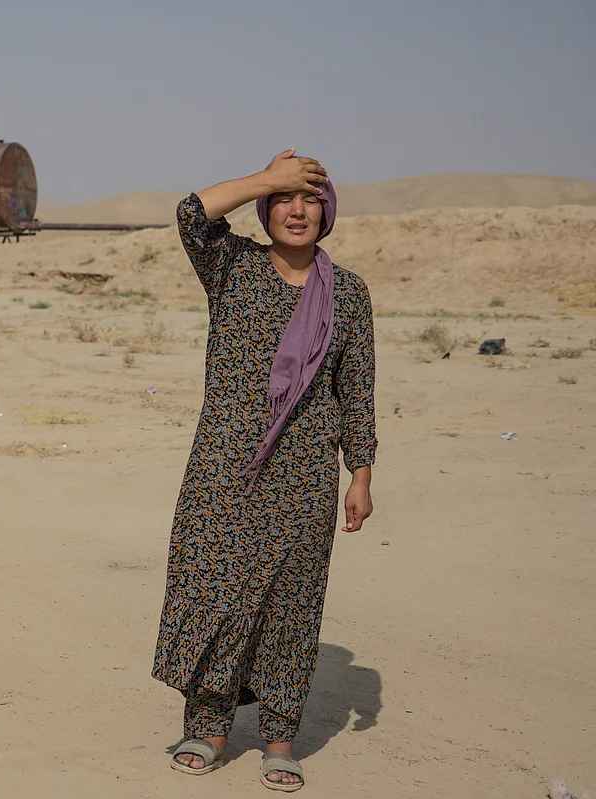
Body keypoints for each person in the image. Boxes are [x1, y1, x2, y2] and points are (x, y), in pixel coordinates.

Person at [151, 150, 377, 792]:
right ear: (265, 209)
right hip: (223, 467)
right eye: (284, 200)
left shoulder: (348, 294)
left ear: (327, 213)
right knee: (211, 591)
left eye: (309, 200)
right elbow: (191, 214)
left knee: (290, 604)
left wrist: (360, 474)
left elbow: (356, 389)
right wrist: (268, 178)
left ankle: (280, 738)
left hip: (305, 474)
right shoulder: (234, 268)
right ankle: (208, 727)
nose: (296, 211)